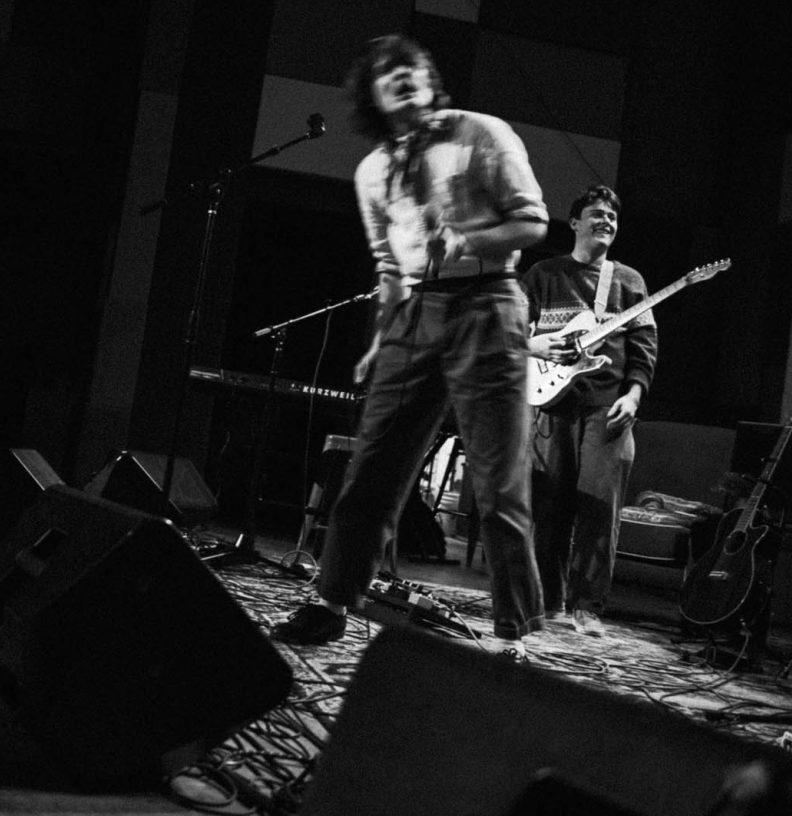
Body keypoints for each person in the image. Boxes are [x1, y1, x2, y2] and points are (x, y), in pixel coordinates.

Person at [272, 33, 548, 657]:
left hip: (488, 301)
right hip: (414, 314)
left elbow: (532, 222)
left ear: (430, 79)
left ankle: (513, 635)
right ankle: (331, 601)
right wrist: (381, 337)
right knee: (372, 467)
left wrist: (471, 240)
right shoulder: (371, 170)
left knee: (498, 479)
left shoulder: (482, 133)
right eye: (386, 72)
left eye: (412, 67)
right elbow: (387, 268)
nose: (401, 77)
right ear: (370, 93)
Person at [522, 185, 657, 636]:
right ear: (575, 222)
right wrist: (533, 344)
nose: (606, 222)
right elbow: (510, 331)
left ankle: (587, 607)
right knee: (550, 508)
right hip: (552, 406)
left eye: (613, 218)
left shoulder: (628, 281)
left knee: (599, 509)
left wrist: (634, 394)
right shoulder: (543, 274)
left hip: (607, 408)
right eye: (596, 214)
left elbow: (645, 347)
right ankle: (548, 601)